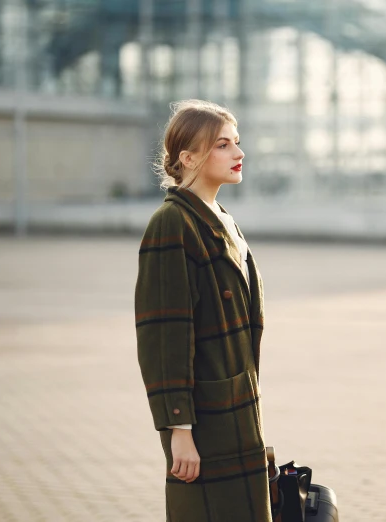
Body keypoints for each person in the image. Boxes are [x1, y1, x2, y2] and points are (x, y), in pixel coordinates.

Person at [134, 99, 272, 522]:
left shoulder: (224, 219)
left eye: (237, 143)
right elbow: (165, 335)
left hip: (240, 408)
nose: (238, 153)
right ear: (188, 158)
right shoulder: (172, 223)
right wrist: (179, 430)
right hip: (203, 421)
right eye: (223, 145)